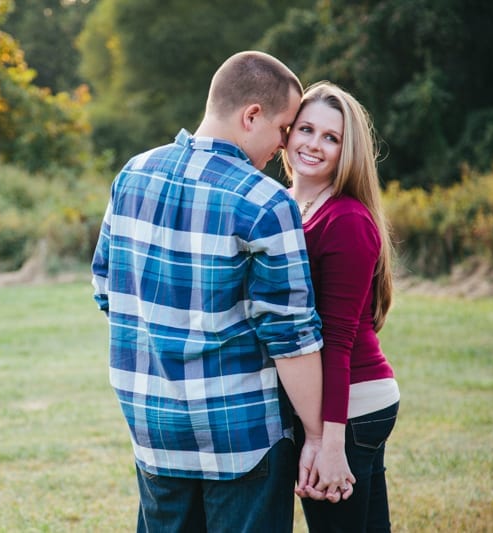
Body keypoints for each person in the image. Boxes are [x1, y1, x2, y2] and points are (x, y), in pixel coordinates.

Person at [91, 51, 350, 533]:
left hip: (153, 429)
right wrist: (316, 435)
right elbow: (291, 337)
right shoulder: (266, 202)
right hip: (243, 438)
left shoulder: (133, 174)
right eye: (283, 128)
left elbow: (107, 290)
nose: (284, 144)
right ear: (252, 115)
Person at [284, 81, 401, 532]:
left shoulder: (346, 219)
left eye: (330, 137)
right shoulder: (289, 205)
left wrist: (328, 439)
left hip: (351, 407)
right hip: (332, 406)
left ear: (346, 149)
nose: (314, 144)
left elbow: (336, 341)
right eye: (306, 129)